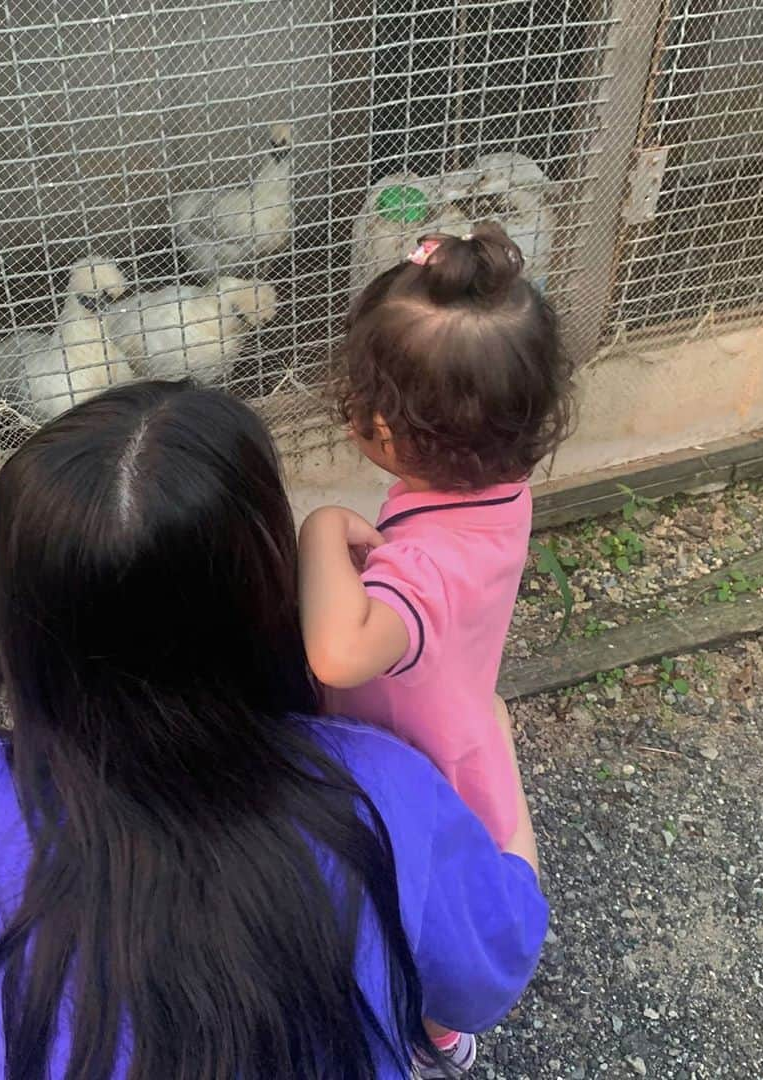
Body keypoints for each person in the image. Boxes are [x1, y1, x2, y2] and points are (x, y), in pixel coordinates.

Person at [0, 381, 547, 1080]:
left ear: (28, 615)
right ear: (263, 580)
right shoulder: (375, 793)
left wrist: (0, 557)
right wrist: (492, 737)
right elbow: (487, 980)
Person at [298, 224, 572, 1073]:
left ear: (380, 421)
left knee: (412, 915)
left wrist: (315, 535)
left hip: (410, 769)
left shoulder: (424, 565)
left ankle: (435, 1035)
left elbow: (339, 654)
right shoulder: (502, 490)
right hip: (461, 718)